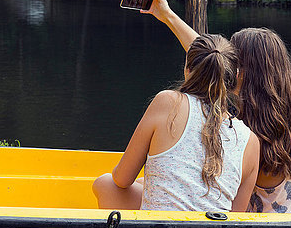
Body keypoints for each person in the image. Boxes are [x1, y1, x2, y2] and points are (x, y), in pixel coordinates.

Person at [143, 0, 291, 214]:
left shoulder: (248, 137)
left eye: (231, 58)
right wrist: (168, 16)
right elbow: (211, 58)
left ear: (240, 71)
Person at [92, 34, 260, 212]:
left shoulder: (168, 102)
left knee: (106, 183)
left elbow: (122, 179)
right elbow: (235, 217)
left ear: (187, 69)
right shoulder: (251, 141)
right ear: (234, 76)